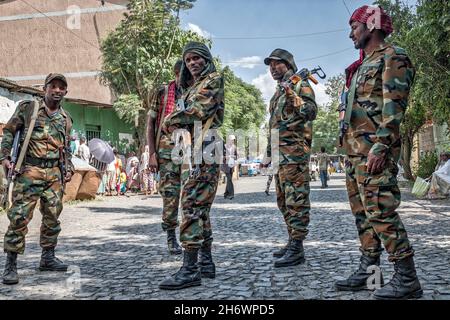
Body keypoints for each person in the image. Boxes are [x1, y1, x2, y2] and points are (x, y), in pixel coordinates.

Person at [334, 5, 422, 300]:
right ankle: (370, 272)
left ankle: (407, 278)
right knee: (363, 215)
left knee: (381, 211)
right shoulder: (361, 67)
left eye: (354, 27)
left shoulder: (392, 57)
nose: (350, 34)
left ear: (370, 26)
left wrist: (382, 146)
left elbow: (394, 107)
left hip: (374, 152)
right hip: (355, 152)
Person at [158, 41, 224, 290]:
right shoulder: (192, 86)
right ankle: (205, 263)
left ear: (206, 58)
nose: (193, 63)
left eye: (197, 58)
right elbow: (185, 111)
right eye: (188, 60)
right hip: (193, 146)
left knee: (191, 204)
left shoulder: (213, 80)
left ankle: (189, 269)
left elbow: (197, 110)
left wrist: (169, 120)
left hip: (205, 144)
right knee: (200, 207)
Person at [0, 73, 74, 285]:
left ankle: (48, 258)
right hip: (29, 172)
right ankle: (11, 265)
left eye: (61, 87)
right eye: (53, 86)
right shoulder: (28, 109)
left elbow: (65, 147)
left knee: (52, 216)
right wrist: (4, 157)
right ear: (45, 89)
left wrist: (68, 167)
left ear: (65, 92)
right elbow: (9, 131)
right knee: (20, 217)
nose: (57, 90)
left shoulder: (66, 119)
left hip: (54, 175)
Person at [262, 48, 317, 268]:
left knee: (297, 201)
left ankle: (297, 247)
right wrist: (268, 153)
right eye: (270, 65)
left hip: (294, 154)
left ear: (289, 65)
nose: (273, 68)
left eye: (277, 64)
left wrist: (291, 94)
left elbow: (311, 112)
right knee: (283, 201)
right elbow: (273, 126)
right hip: (279, 156)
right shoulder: (277, 93)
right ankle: (292, 240)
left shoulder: (300, 85)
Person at [147, 60, 184, 255]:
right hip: (165, 152)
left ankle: (191, 237)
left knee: (190, 196)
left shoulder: (195, 93)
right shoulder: (162, 92)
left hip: (188, 152)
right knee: (170, 195)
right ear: (176, 73)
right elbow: (151, 123)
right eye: (180, 74)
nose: (184, 78)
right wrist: (152, 153)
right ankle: (171, 236)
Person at [223, 135, 237, 200]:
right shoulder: (224, 147)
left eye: (233, 140)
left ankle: (226, 194)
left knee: (229, 180)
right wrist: (226, 157)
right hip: (226, 166)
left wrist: (234, 157)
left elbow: (236, 156)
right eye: (231, 140)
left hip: (231, 165)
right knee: (230, 180)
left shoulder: (234, 147)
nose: (233, 141)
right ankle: (231, 194)